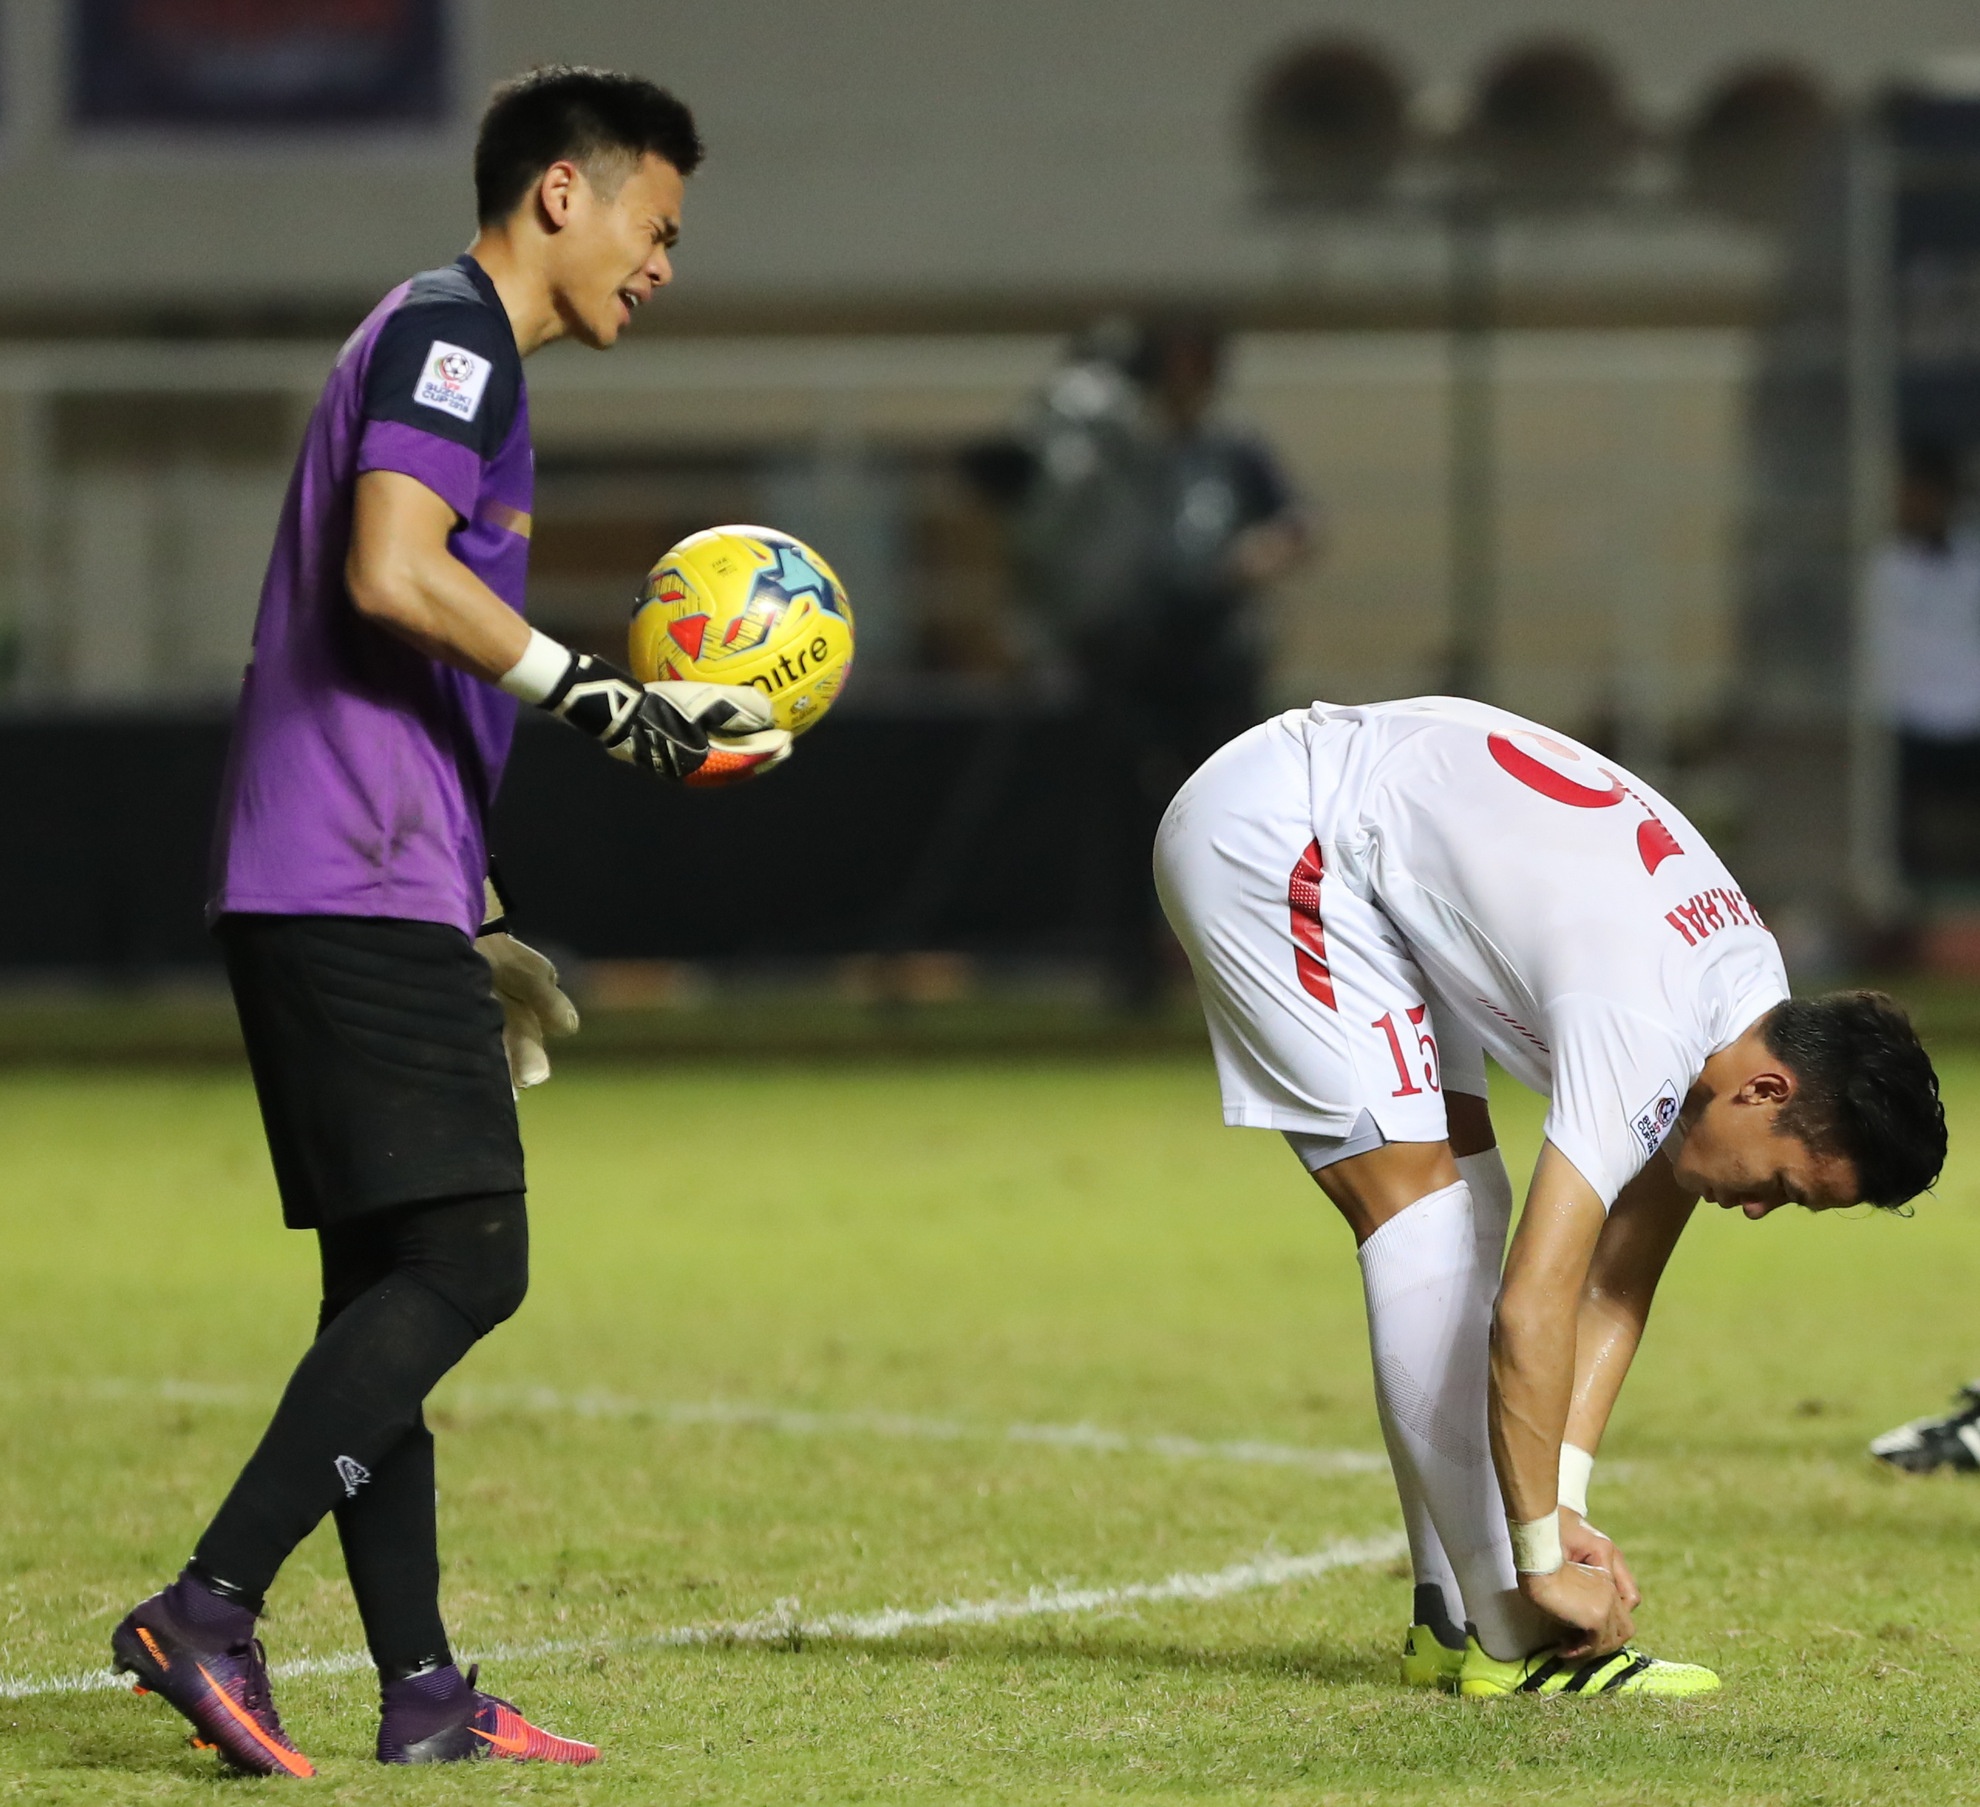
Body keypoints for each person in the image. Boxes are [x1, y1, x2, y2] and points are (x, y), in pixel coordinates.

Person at [110, 67, 791, 1776]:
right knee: (474, 1256)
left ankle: (422, 1687)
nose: (664, 264)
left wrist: (468, 902)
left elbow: (391, 652)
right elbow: (390, 569)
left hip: (356, 867)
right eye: (659, 223)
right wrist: (599, 697)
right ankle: (206, 1602)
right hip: (335, 871)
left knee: (388, 1285)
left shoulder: (439, 344)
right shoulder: (455, 338)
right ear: (564, 192)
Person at [1155, 695, 1945, 1696]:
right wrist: (1538, 1562)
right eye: (1785, 1189)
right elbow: (1534, 1308)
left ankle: (1452, 1618)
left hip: (1369, 843)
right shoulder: (1649, 1027)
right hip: (1282, 831)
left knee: (1474, 1214)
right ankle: (1510, 1634)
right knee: (1429, 1217)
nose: (1755, 1211)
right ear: (1768, 1092)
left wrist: (1560, 1505)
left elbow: (1613, 1287)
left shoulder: (1750, 1003)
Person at [1017, 315, 1312, 1008]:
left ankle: (1244, 974)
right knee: (1125, 814)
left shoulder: (1233, 449)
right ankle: (1132, 972)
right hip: (1131, 648)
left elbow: (1299, 522)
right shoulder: (1116, 448)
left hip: (1214, 649)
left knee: (1232, 815)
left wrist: (1258, 555)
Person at [1867, 437, 1980, 885]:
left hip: (1969, 716)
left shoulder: (1971, 560)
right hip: (1906, 719)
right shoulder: (1882, 565)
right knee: (1892, 819)